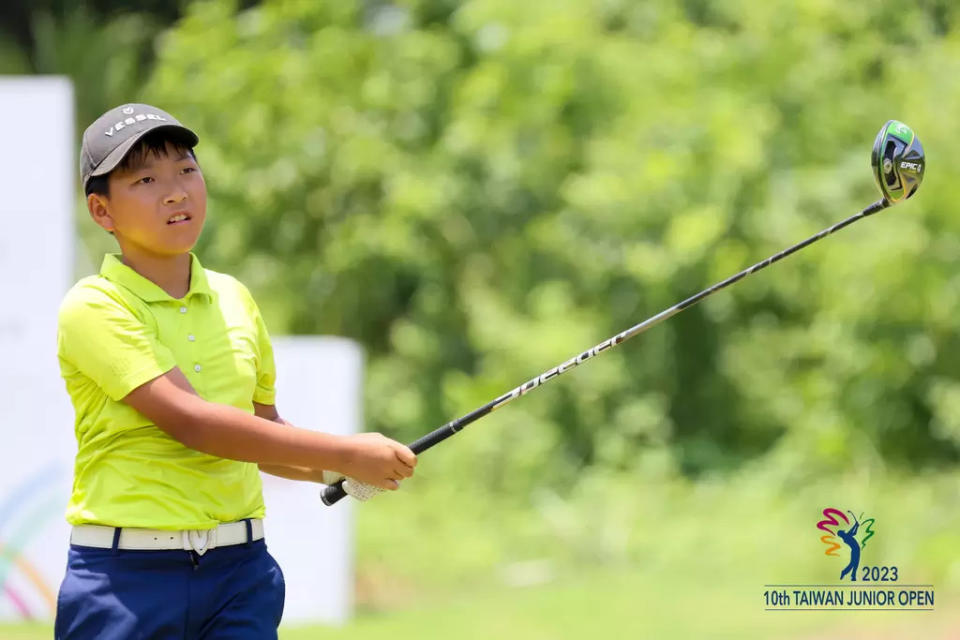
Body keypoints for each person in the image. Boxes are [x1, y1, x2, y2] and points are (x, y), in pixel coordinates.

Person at [54, 103, 416, 639]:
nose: (175, 191)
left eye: (186, 169)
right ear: (102, 211)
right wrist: (344, 451)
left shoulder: (234, 298)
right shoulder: (94, 305)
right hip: (125, 580)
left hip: (239, 573)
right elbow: (193, 423)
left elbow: (264, 432)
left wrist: (342, 473)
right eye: (147, 179)